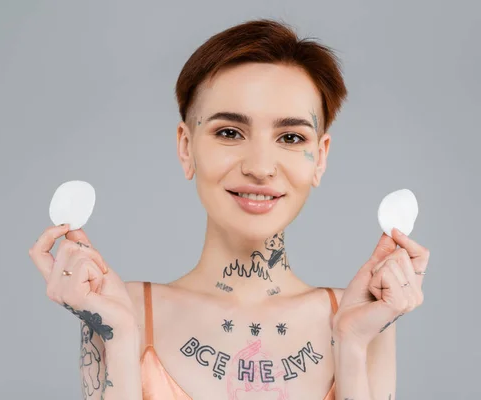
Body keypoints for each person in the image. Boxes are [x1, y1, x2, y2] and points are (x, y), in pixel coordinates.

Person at [29, 18, 430, 400]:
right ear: (186, 147)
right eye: (229, 132)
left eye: (290, 137)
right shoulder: (121, 309)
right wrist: (116, 336)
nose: (259, 166)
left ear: (320, 158)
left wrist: (352, 343)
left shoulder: (363, 316)